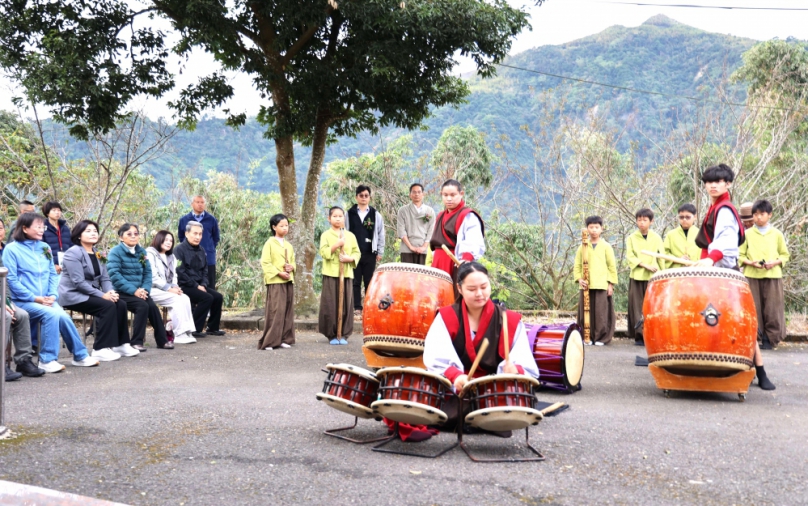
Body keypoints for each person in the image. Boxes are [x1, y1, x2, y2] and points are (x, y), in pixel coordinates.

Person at [423, 261, 539, 436]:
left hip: (494, 391)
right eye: (471, 289)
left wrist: (514, 370)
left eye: (484, 287)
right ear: (460, 289)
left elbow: (525, 364)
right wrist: (456, 376)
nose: (479, 294)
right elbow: (435, 358)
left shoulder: (510, 321)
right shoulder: (447, 317)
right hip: (458, 388)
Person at [694, 163, 774, 390]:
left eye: (718, 181)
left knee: (738, 320)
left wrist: (711, 258)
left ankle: (760, 370)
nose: (712, 185)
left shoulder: (725, 209)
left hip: (724, 272)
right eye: (709, 182)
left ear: (728, 184)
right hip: (714, 270)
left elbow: (727, 242)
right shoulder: (715, 207)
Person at [1, 213, 100, 372]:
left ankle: (80, 355)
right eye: (38, 227)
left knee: (63, 316)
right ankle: (47, 359)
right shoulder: (12, 249)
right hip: (23, 301)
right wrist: (35, 298)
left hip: (46, 299)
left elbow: (52, 275)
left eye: (43, 227)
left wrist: (53, 295)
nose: (42, 230)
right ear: (25, 228)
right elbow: (11, 280)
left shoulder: (44, 247)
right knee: (52, 314)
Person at [59, 220, 140, 361]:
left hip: (90, 292)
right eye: (88, 231)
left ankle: (120, 344)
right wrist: (103, 295)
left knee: (120, 303)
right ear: (79, 235)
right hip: (73, 295)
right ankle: (100, 348)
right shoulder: (73, 253)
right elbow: (78, 283)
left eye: (95, 231)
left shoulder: (98, 253)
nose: (93, 233)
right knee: (107, 306)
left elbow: (105, 278)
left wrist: (111, 293)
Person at [107, 223, 173, 351]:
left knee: (152, 307)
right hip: (121, 292)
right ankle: (136, 342)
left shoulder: (141, 251)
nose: (133, 236)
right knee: (142, 306)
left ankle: (162, 341)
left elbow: (148, 273)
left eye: (136, 234)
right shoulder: (115, 252)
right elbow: (115, 275)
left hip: (140, 292)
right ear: (121, 237)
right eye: (129, 234)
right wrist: (134, 291)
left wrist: (144, 290)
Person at [739, 199, 790, 350]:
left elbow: (785, 255)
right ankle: (756, 338)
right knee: (753, 307)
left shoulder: (777, 234)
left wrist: (774, 262)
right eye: (755, 214)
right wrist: (751, 263)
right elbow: (740, 255)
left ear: (770, 215)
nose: (758, 217)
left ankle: (770, 338)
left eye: (762, 214)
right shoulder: (747, 234)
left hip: (773, 275)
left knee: (773, 307)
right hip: (752, 275)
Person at [1, 217, 45, 380]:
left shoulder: (6, 250)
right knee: (4, 316)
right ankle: (1, 365)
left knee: (21, 315)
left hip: (5, 299)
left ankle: (23, 360)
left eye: (0, 228)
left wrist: (7, 302)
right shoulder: (11, 251)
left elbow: (4, 283)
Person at [429, 179, 485, 288]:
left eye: (453, 195)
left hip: (456, 263)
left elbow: (474, 241)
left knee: (453, 296)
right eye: (445, 195)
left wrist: (465, 260)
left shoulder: (468, 216)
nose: (449, 198)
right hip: (437, 262)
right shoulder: (440, 215)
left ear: (461, 194)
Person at [146, 230, 198, 345]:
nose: (169, 243)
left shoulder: (171, 257)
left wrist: (175, 287)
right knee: (176, 299)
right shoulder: (150, 253)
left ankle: (187, 331)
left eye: (171, 240)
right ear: (158, 239)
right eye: (166, 240)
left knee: (184, 297)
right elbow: (153, 277)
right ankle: (179, 334)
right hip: (151, 289)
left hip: (167, 289)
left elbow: (174, 276)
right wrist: (169, 289)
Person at [175, 221, 225, 337]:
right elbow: (180, 272)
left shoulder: (201, 250)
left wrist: (202, 283)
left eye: (200, 234)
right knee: (207, 298)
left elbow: (205, 271)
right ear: (186, 234)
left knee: (217, 297)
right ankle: (194, 329)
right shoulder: (179, 250)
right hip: (184, 285)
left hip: (199, 285)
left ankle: (212, 328)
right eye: (195, 233)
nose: (198, 237)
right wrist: (196, 286)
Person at [318, 207, 360, 345]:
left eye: (340, 216)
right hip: (331, 273)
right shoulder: (325, 235)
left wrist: (350, 259)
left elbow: (356, 252)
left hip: (346, 274)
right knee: (331, 303)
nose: (338, 218)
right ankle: (332, 334)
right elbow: (324, 252)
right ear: (329, 219)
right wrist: (337, 244)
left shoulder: (351, 236)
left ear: (344, 218)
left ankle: (344, 334)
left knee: (346, 303)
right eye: (334, 216)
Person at [574, 216, 617, 345]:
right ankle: (587, 336)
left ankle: (601, 338)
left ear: (601, 229)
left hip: (601, 284)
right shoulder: (582, 246)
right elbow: (577, 265)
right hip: (586, 284)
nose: (594, 230)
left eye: (596, 227)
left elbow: (611, 266)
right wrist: (579, 279)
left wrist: (610, 284)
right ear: (587, 229)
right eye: (591, 227)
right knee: (585, 312)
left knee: (601, 313)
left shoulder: (606, 246)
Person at [345, 185, 385, 318]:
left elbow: (380, 233)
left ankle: (368, 305)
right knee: (355, 281)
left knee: (369, 280)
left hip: (370, 252)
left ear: (369, 197)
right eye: (361, 195)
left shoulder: (375, 214)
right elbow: (345, 232)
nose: (363, 198)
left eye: (366, 195)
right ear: (356, 197)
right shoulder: (349, 213)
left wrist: (380, 251)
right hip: (353, 254)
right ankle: (357, 307)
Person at [625, 208, 664, 346]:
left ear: (651, 221)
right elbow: (630, 256)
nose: (641, 223)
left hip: (653, 277)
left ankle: (652, 334)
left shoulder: (657, 238)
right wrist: (644, 265)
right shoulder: (631, 238)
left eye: (645, 220)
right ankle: (639, 335)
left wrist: (662, 273)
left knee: (653, 306)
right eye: (639, 220)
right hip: (637, 276)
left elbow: (661, 257)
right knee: (637, 306)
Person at [258, 214, 296, 350]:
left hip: (288, 281)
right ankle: (270, 341)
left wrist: (291, 267)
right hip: (276, 281)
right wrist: (279, 273)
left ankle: (285, 338)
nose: (285, 228)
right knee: (276, 311)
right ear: (274, 227)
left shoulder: (289, 245)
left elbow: (293, 262)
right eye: (282, 226)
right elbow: (265, 263)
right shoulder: (269, 243)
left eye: (286, 225)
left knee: (287, 310)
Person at [178, 195, 221, 289]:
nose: (200, 204)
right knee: (191, 287)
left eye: (202, 202)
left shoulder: (211, 219)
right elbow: (181, 237)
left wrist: (209, 248)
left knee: (210, 286)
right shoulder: (184, 220)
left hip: (208, 258)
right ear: (192, 204)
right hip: (189, 259)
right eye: (197, 202)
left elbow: (216, 238)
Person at [397, 183, 435, 265]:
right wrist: (411, 247)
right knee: (407, 275)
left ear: (423, 194)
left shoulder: (430, 211)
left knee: (420, 276)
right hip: (406, 249)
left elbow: (431, 230)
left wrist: (424, 247)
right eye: (414, 192)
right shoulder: (403, 210)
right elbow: (401, 230)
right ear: (410, 195)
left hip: (423, 249)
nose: (416, 194)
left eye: (419, 192)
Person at [662, 204, 701, 269]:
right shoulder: (671, 235)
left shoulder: (701, 234)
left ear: (695, 217)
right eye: (681, 217)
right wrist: (678, 259)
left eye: (688, 217)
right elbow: (664, 253)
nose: (684, 219)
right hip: (676, 272)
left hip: (697, 271)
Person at [41, 201, 74, 274]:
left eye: (59, 210)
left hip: (67, 265)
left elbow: (71, 245)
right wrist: (52, 264)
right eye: (54, 210)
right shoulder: (42, 228)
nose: (57, 212)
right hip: (50, 267)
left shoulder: (65, 228)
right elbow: (42, 248)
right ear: (47, 213)